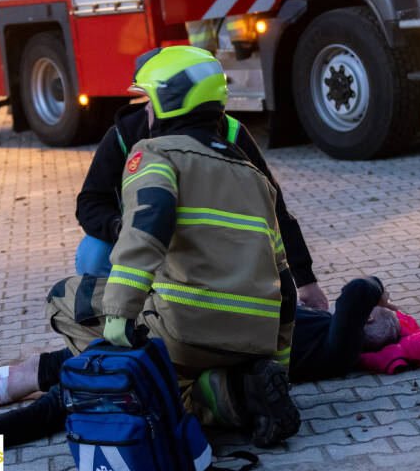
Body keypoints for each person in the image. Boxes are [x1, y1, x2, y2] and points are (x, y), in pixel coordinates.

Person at [0, 46, 300, 448]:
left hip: (185, 332)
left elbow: (146, 231)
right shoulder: (255, 177)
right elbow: (284, 281)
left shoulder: (155, 154)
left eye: (148, 100)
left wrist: (121, 317)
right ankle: (239, 395)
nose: (146, 111)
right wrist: (278, 364)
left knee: (66, 308)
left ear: (168, 100)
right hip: (253, 340)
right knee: (128, 377)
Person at [0, 277, 398, 444]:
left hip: (184, 359)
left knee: (62, 399)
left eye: (383, 319)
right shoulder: (324, 326)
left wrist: (379, 295)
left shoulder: (338, 347)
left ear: (370, 327)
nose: (382, 314)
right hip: (188, 339)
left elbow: (358, 291)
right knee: (47, 370)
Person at [75, 74, 328, 311]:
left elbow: (274, 208)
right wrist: (124, 230)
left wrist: (305, 280)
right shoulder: (124, 135)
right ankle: (119, 313)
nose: (146, 108)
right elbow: (90, 203)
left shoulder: (230, 133)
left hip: (210, 247)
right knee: (93, 253)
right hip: (145, 244)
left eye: (151, 100)